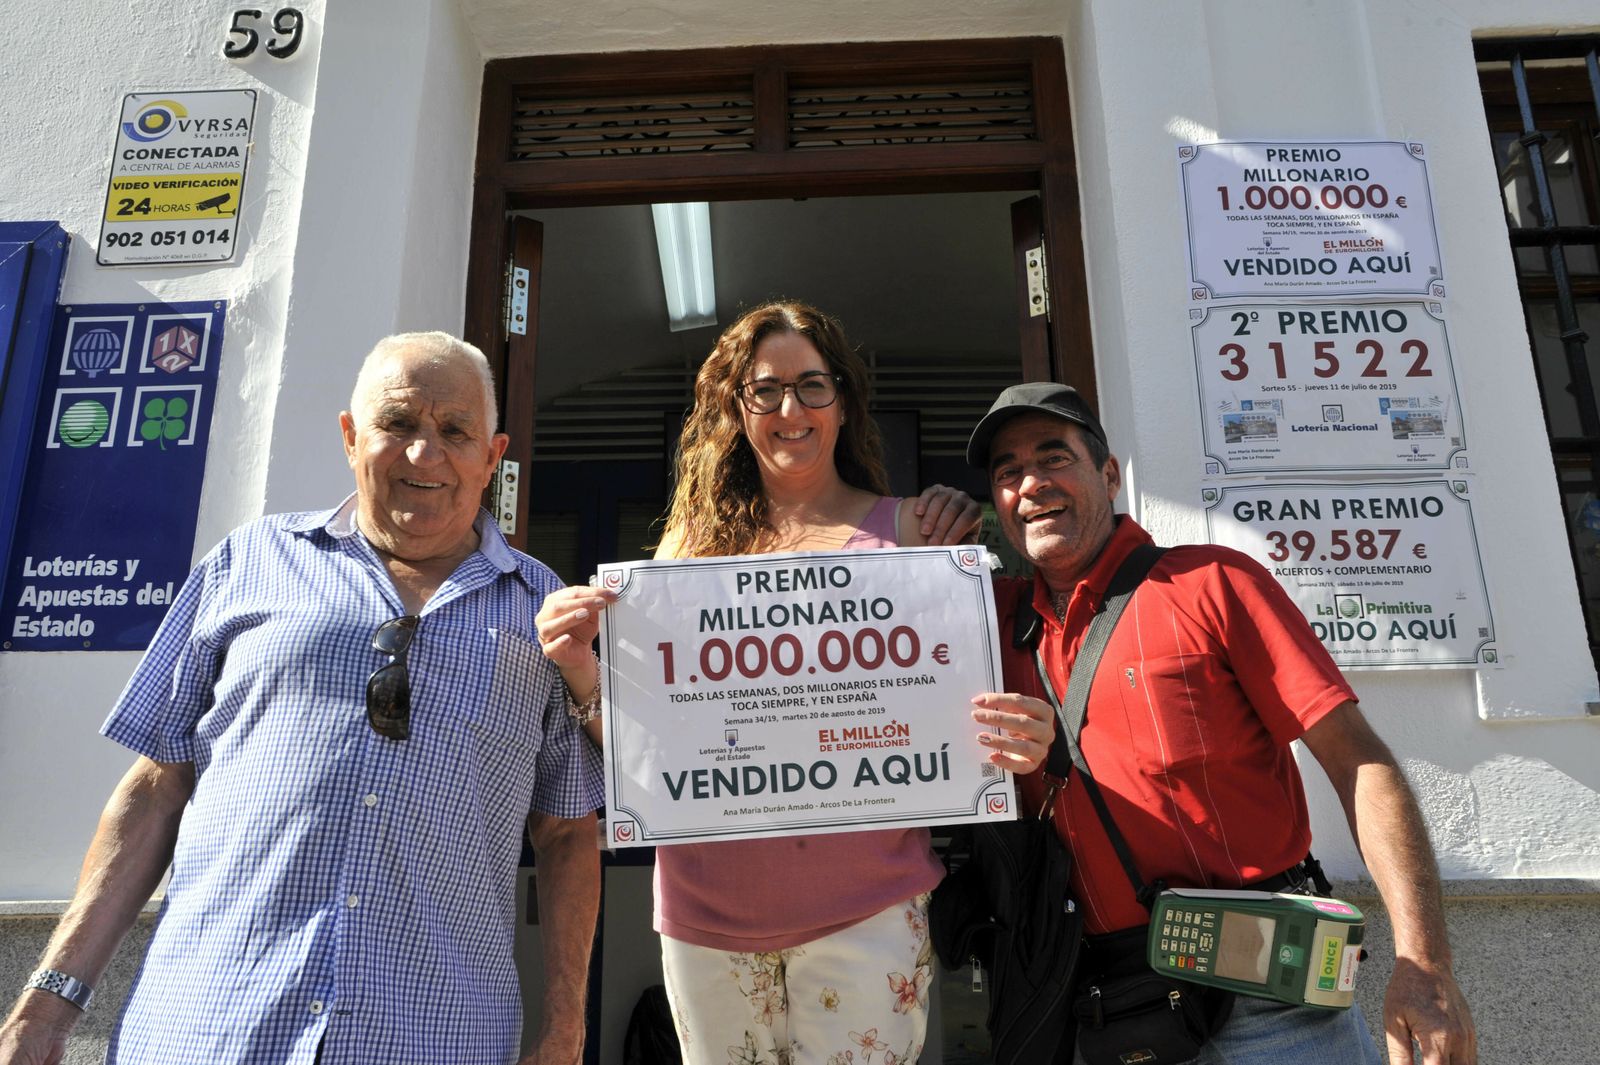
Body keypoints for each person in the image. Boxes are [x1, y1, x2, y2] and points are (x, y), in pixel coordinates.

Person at [0, 332, 605, 1065]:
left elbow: (569, 833)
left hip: (434, 1034)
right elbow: (157, 788)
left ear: (492, 455)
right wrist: (44, 1005)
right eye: (399, 424)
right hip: (207, 1024)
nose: (424, 454)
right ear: (351, 436)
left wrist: (564, 1031)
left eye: (454, 431)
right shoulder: (247, 562)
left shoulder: (547, 613)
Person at [535, 301, 1054, 1065]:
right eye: (765, 389)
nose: (791, 409)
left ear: (843, 401)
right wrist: (579, 664)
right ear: (736, 411)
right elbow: (649, 755)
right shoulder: (683, 556)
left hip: (868, 910)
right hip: (705, 916)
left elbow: (960, 705)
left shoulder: (914, 532)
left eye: (811, 386)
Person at [966, 382, 1477, 1065]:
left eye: (1053, 457)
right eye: (1007, 472)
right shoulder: (983, 626)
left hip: (1268, 996)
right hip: (1112, 1008)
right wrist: (918, 525)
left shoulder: (1213, 583)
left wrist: (1424, 965)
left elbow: (1358, 760)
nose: (1030, 483)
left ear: (1109, 474)